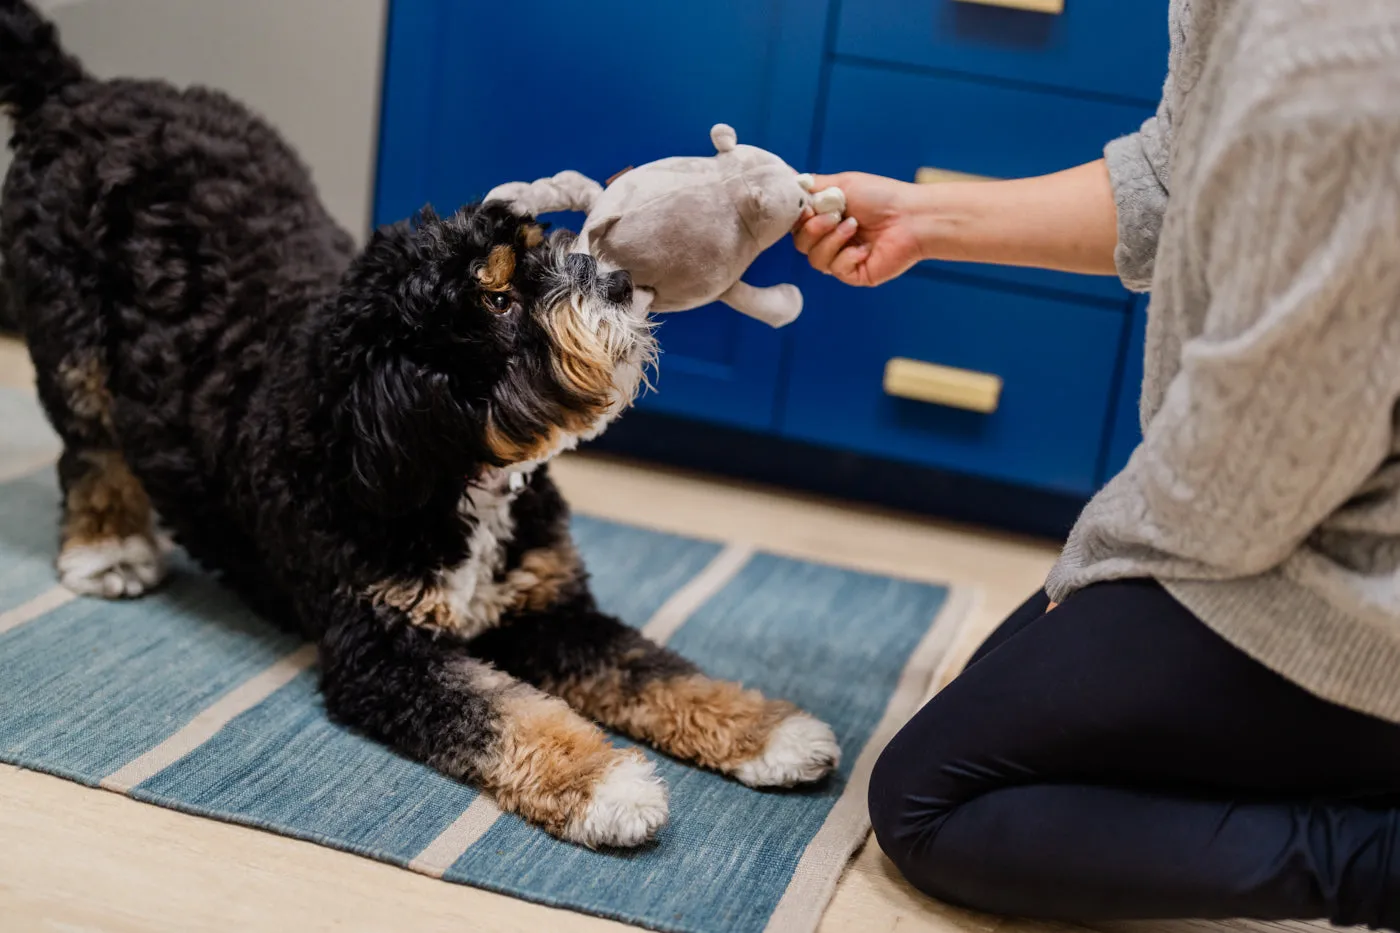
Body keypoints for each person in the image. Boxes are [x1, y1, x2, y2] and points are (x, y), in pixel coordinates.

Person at [793, 1, 1400, 927]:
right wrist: (923, 217)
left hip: (1355, 573)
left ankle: (1372, 862)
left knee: (928, 799)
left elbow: (1247, 492)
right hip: (1295, 497)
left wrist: (1094, 561)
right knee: (1007, 702)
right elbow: (1175, 166)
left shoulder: (1340, 57)